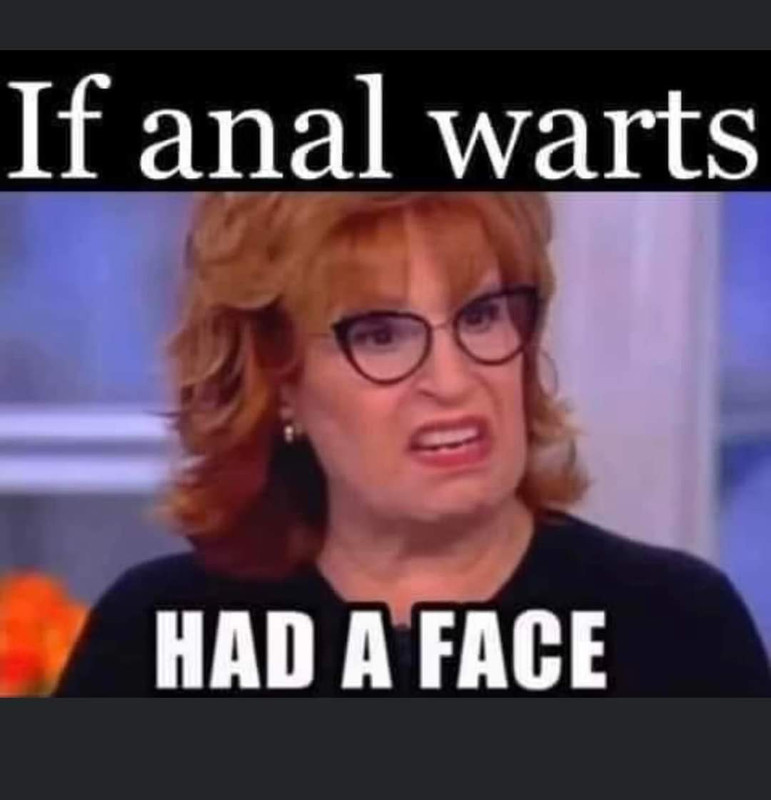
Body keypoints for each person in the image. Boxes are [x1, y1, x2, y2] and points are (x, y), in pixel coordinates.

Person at [55, 192, 771, 696]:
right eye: (379, 335)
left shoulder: (674, 629)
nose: (453, 382)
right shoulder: (156, 639)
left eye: (481, 316)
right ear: (279, 381)